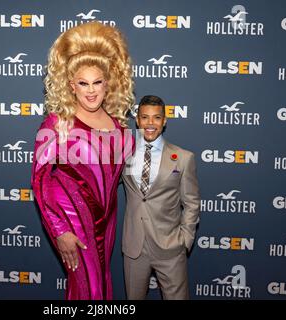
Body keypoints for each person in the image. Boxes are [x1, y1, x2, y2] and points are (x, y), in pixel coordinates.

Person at [31, 22, 135, 300]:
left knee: (102, 282)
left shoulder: (119, 126)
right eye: (83, 83)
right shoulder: (58, 123)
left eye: (97, 82)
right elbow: (40, 179)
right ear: (71, 86)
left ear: (108, 83)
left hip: (108, 219)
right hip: (72, 222)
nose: (91, 91)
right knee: (87, 287)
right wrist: (59, 230)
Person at [122, 95, 200, 300]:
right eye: (145, 117)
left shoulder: (183, 158)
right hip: (134, 247)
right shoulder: (123, 154)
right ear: (137, 120)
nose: (150, 123)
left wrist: (184, 240)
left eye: (156, 118)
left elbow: (191, 203)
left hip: (170, 247)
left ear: (164, 121)